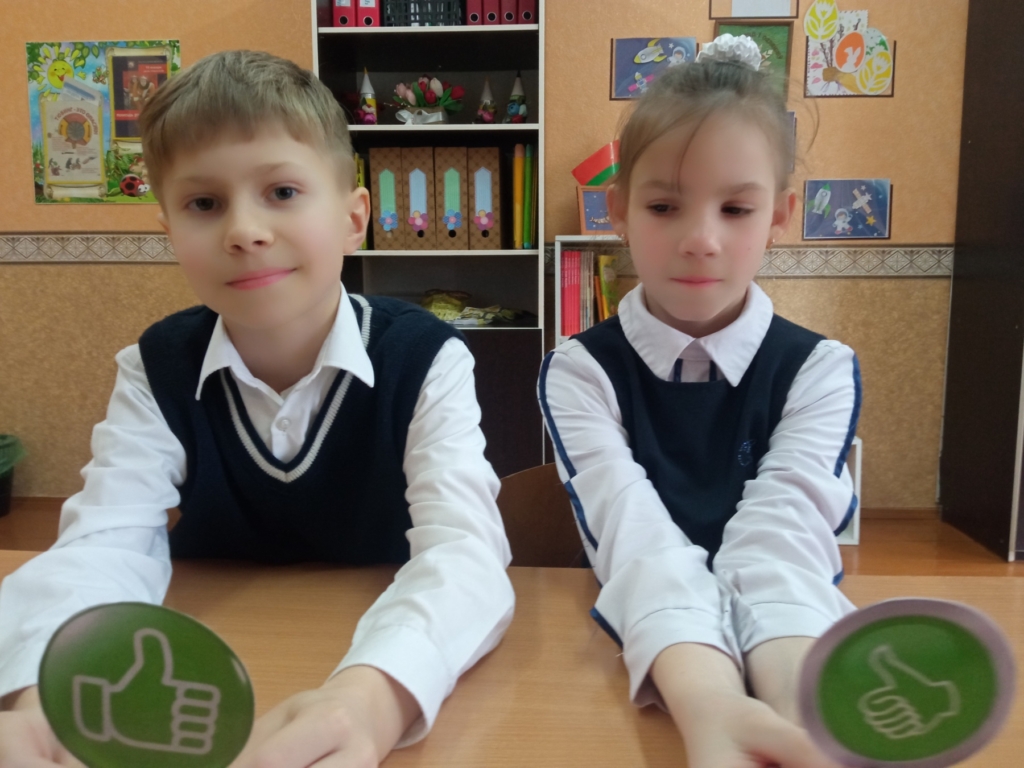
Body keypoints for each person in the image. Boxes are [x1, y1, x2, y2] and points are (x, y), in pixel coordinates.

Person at [0, 50, 514, 768]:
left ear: (353, 218)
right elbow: (103, 546)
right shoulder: (155, 367)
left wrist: (374, 699)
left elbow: (465, 553)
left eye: (282, 191)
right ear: (170, 233)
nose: (244, 230)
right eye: (204, 204)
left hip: (378, 644)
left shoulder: (426, 357)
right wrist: (51, 686)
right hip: (205, 672)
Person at [538, 35, 859, 768]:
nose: (701, 240)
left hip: (784, 633)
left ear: (779, 216)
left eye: (737, 209)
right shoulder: (580, 371)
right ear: (618, 211)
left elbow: (780, 541)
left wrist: (798, 700)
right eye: (664, 205)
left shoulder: (819, 370)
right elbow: (636, 540)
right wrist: (711, 703)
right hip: (643, 652)